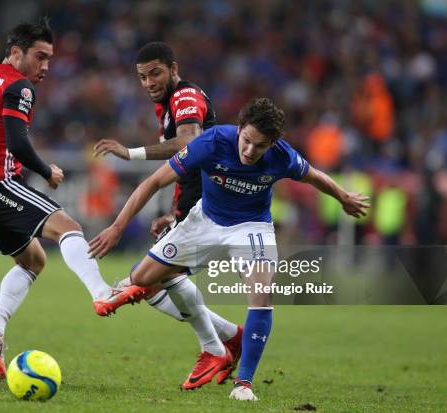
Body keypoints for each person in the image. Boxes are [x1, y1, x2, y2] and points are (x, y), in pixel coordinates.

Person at [89, 98, 370, 397]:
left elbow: (314, 176)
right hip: (204, 221)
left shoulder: (282, 156)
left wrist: (343, 197)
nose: (249, 151)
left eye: (259, 146)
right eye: (246, 140)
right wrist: (118, 226)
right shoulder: (212, 142)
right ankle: (225, 339)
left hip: (251, 228)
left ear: (272, 143)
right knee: (145, 278)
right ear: (239, 129)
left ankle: (244, 383)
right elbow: (155, 181)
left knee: (261, 294)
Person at [0, 19, 140, 380]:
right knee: (68, 226)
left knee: (33, 260)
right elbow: (17, 142)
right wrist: (47, 172)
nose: (46, 67)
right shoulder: (17, 86)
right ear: (15, 53)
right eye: (40, 57)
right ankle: (101, 292)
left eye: (49, 59)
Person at [93, 42, 242, 383]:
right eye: (142, 77)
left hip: (211, 207)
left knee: (151, 277)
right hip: (197, 203)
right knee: (157, 281)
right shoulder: (166, 104)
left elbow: (188, 144)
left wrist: (129, 153)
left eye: (156, 73)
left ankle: (217, 348)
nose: (148, 82)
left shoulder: (184, 97)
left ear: (174, 69)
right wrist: (176, 213)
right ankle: (231, 338)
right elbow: (188, 165)